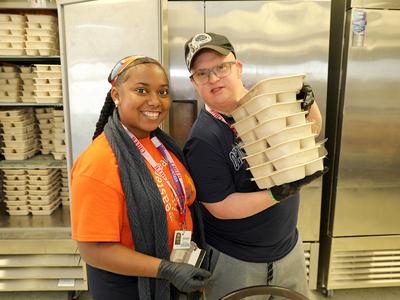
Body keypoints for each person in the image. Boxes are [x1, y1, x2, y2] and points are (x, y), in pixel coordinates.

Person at [183, 32, 327, 299]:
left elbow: (311, 131)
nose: (213, 78)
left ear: (238, 68)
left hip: (288, 247)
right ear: (194, 82)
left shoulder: (266, 102)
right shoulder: (203, 138)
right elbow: (220, 207)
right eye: (202, 73)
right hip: (236, 260)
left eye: (221, 67)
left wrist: (308, 105)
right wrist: (277, 193)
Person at [70, 55, 211, 300]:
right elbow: (93, 250)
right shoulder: (99, 163)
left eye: (163, 92)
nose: (155, 101)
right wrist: (166, 269)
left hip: (169, 284)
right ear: (116, 94)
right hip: (128, 289)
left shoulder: (160, 144)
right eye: (141, 90)